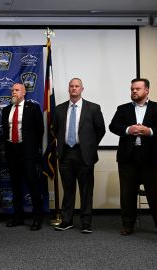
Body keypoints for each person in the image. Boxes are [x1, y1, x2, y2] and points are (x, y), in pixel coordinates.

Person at [109, 78, 157, 237]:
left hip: (151, 158)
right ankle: (127, 225)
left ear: (147, 90)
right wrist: (128, 129)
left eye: (137, 89)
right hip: (127, 158)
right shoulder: (122, 109)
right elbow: (113, 126)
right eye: (132, 89)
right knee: (127, 194)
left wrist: (149, 131)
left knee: (155, 194)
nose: (134, 92)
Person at [53, 78, 105, 233]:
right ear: (68, 89)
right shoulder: (59, 109)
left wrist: (89, 145)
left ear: (82, 89)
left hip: (84, 155)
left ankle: (86, 223)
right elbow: (55, 129)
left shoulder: (93, 108)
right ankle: (67, 220)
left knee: (86, 190)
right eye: (71, 86)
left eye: (77, 86)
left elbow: (100, 130)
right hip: (66, 154)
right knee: (68, 189)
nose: (74, 88)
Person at [1, 83, 44, 231]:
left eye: (17, 90)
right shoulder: (6, 110)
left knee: (32, 184)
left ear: (24, 92)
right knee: (15, 185)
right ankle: (18, 216)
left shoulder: (33, 108)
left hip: (28, 152)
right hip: (12, 151)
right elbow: (5, 131)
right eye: (12, 90)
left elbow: (40, 131)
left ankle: (37, 217)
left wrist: (33, 149)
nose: (14, 92)